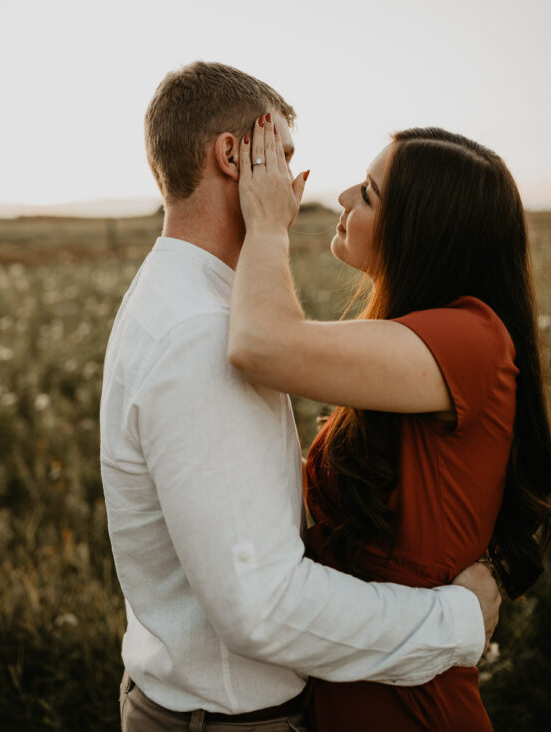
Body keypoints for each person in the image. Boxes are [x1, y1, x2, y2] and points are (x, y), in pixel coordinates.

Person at [100, 62, 500, 732]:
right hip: (232, 719)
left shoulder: (175, 294)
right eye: (281, 155)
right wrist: (452, 622)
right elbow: (264, 607)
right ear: (233, 156)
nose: (294, 180)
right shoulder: (202, 333)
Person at [228, 116, 551, 731]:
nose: (345, 197)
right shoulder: (422, 337)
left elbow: (260, 344)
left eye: (369, 193)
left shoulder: (471, 339)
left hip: (410, 705)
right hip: (353, 682)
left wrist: (266, 226)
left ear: (422, 232)